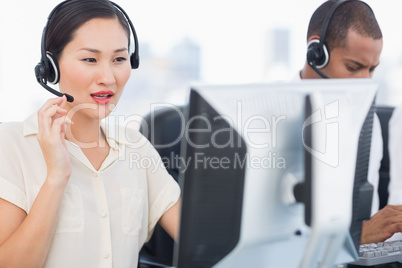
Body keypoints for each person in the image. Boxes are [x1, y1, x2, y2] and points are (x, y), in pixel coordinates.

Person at [0, 0, 181, 267]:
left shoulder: (135, 147)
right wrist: (56, 177)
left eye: (119, 59)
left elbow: (203, 240)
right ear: (51, 66)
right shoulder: (11, 145)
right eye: (90, 59)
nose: (107, 77)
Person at [299, 0, 402, 245]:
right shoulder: (269, 120)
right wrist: (355, 238)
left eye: (371, 70)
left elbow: (367, 225)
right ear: (316, 52)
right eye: (353, 67)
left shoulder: (367, 122)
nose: (365, 82)